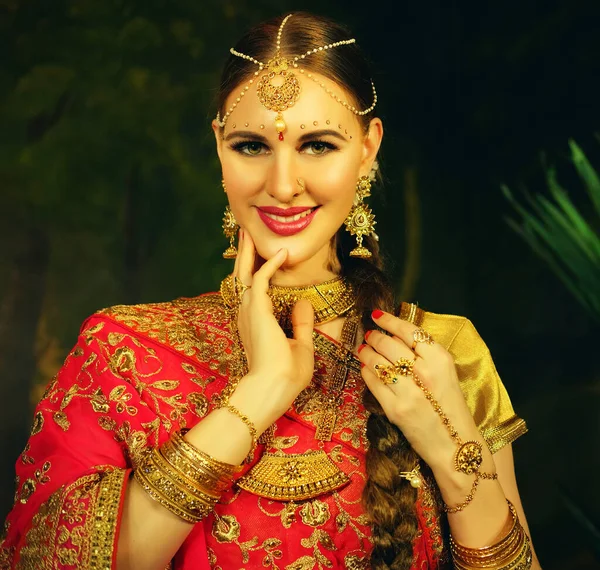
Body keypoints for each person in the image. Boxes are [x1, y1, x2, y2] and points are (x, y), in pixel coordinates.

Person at [0, 12, 541, 570]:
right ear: (219, 147)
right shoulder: (122, 351)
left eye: (319, 145)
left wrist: (453, 458)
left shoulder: (441, 355)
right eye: (252, 146)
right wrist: (260, 392)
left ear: (368, 147)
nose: (283, 186)